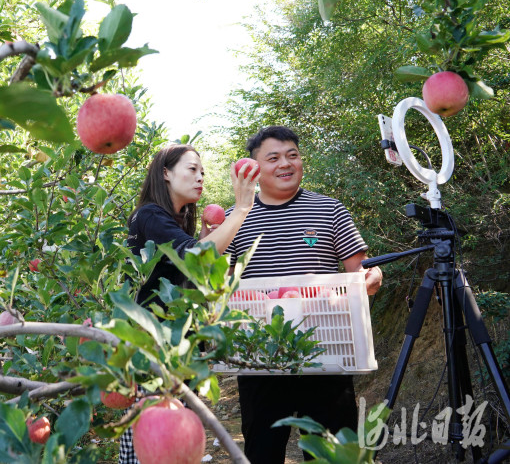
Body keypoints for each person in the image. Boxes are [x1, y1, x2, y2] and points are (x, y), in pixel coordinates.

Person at [225, 125, 383, 464]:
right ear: (252, 169)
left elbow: (360, 269)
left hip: (328, 355)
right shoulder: (233, 220)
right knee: (262, 453)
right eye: (273, 158)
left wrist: (371, 277)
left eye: (292, 155)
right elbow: (216, 284)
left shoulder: (330, 210)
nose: (286, 163)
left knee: (334, 455)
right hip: (259, 360)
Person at [119, 143, 259, 464]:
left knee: (168, 447)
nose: (200, 178)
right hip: (151, 352)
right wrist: (240, 210)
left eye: (203, 172)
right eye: (192, 169)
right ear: (165, 173)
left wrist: (207, 238)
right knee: (153, 446)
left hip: (175, 352)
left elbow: (191, 273)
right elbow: (194, 258)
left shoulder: (176, 222)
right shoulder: (149, 215)